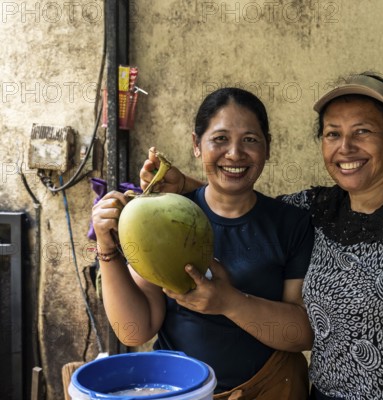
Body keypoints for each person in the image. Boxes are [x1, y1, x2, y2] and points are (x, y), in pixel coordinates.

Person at [140, 73, 383, 400]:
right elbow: (241, 203)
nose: (345, 148)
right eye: (333, 134)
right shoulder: (311, 210)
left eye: (362, 132)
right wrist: (188, 186)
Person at [92, 88, 315, 400]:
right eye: (220, 139)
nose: (235, 153)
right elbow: (135, 331)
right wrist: (108, 250)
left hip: (271, 389)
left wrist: (229, 302)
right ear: (197, 145)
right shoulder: (162, 217)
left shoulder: (291, 224)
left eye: (250, 139)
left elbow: (301, 334)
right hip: (180, 392)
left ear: (268, 148)